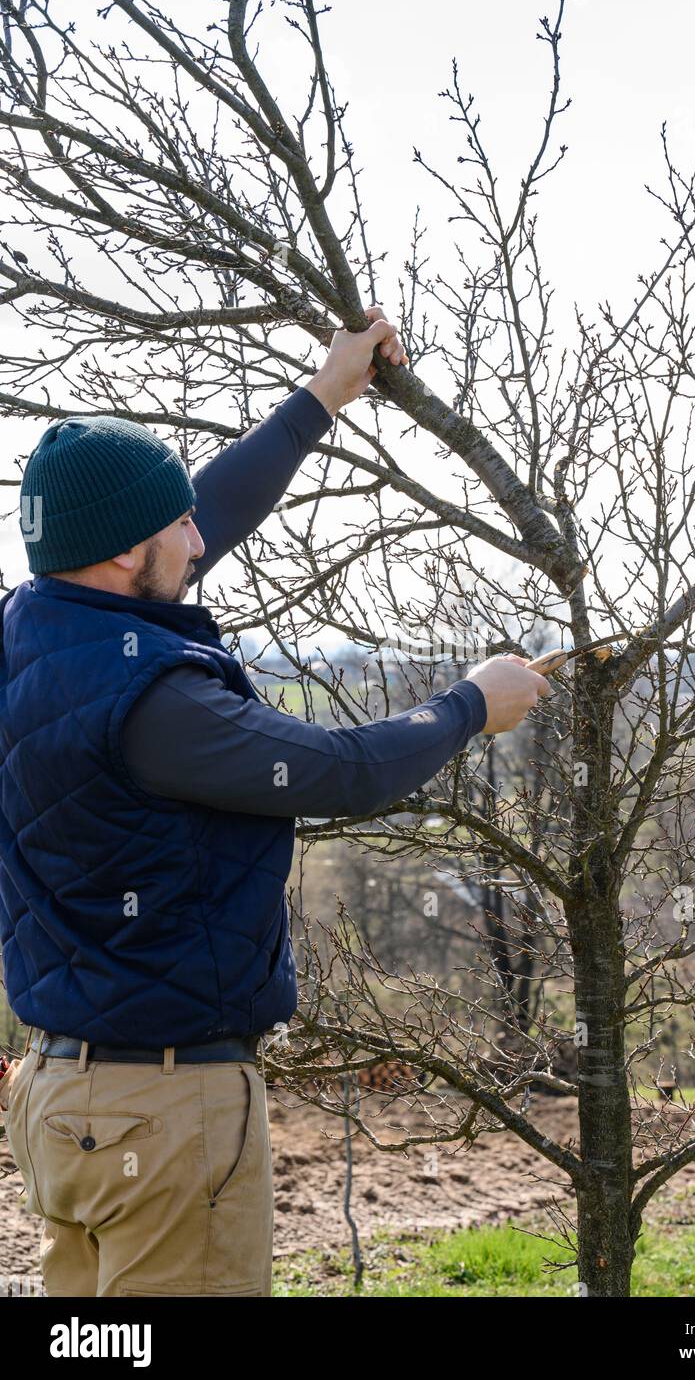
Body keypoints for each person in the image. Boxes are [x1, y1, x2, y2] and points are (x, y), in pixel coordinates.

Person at [0, 305, 551, 1298]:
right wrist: (473, 704)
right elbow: (339, 772)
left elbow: (200, 510)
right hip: (165, 1113)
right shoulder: (155, 703)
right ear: (128, 553)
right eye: (177, 526)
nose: (199, 536)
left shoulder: (32, 631)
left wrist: (321, 397)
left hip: (60, 1101)